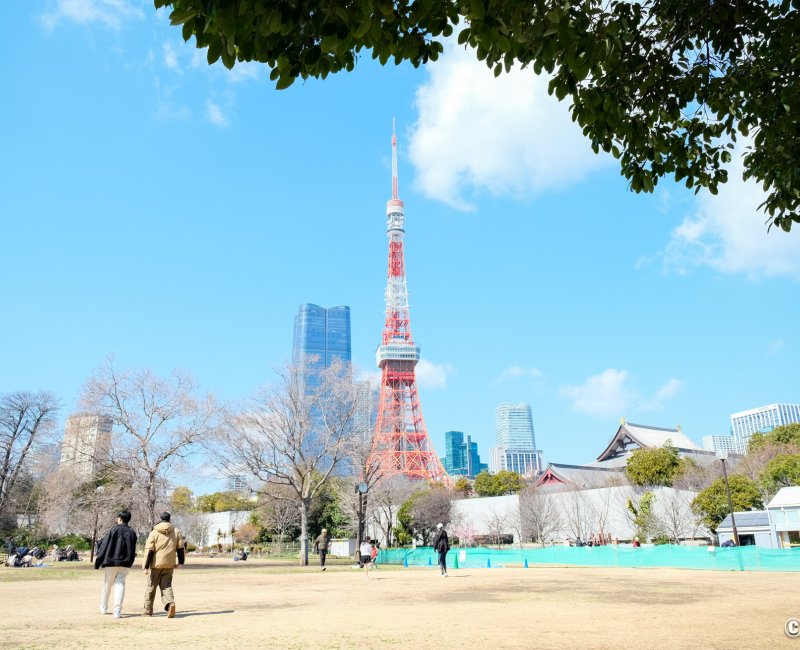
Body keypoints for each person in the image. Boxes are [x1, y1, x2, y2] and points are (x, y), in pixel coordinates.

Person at [95, 510, 138, 618]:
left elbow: (104, 547)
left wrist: (98, 561)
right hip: (125, 563)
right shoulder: (132, 532)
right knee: (120, 585)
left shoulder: (113, 530)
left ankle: (103, 607)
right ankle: (117, 611)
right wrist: (130, 562)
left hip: (110, 561)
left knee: (107, 585)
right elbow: (133, 550)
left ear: (119, 519)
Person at [143, 512, 185, 618]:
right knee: (166, 586)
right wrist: (181, 562)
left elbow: (150, 551)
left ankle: (148, 611)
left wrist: (146, 566)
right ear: (169, 519)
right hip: (169, 565)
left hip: (155, 565)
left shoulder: (154, 532)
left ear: (161, 519)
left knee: (151, 587)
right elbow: (180, 548)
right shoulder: (176, 531)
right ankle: (170, 604)